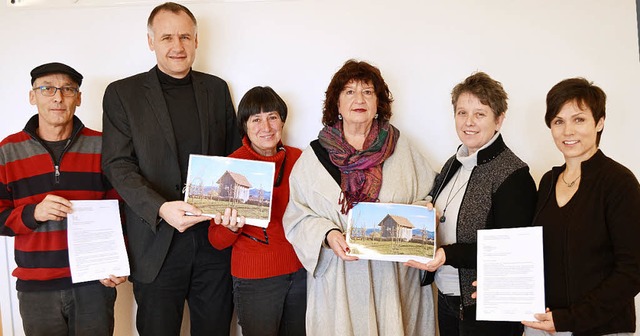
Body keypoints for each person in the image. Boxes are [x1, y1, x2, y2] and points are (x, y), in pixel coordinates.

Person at [101, 2, 242, 335]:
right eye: (166, 38)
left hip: (213, 242)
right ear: (151, 42)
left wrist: (235, 209)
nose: (177, 46)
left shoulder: (217, 89)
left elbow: (235, 158)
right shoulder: (123, 94)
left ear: (196, 40)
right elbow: (117, 164)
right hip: (155, 244)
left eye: (184, 37)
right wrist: (162, 208)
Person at [283, 59, 436, 335]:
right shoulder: (315, 157)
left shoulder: (402, 149)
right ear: (337, 105)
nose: (359, 99)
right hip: (337, 280)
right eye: (349, 92)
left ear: (379, 104)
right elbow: (297, 215)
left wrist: (413, 219)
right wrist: (328, 234)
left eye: (368, 91)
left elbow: (429, 199)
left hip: (392, 280)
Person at [405, 72, 537, 336]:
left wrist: (447, 255)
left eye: (480, 114)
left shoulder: (513, 175)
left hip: (486, 308)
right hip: (447, 296)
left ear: (499, 120)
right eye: (462, 112)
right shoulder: (454, 162)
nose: (469, 122)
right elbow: (439, 208)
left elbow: (511, 254)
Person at [0, 62, 126, 336]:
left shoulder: (103, 146)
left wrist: (118, 263)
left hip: (94, 284)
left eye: (68, 89)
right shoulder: (8, 151)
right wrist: (33, 213)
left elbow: (123, 210)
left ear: (78, 98)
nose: (58, 97)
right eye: (47, 89)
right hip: (36, 289)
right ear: (32, 96)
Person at [521, 78, 640, 336]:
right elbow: (534, 254)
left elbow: (632, 271)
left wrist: (570, 320)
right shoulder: (548, 181)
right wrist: (500, 286)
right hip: (544, 324)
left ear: (599, 122)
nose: (567, 131)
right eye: (558, 121)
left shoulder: (619, 182)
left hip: (601, 329)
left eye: (579, 119)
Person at [208, 86, 306, 336]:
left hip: (300, 274)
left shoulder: (301, 159)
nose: (266, 127)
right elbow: (216, 241)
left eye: (272, 117)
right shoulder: (231, 166)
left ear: (283, 121)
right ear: (245, 125)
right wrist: (231, 227)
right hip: (255, 280)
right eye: (256, 119)